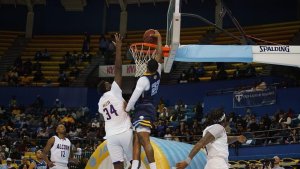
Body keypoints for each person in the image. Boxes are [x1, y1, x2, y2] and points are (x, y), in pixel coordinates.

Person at [125, 30, 164, 169]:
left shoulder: (143, 80)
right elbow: (159, 55)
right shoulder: (158, 73)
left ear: (146, 65)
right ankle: (135, 166)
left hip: (143, 108)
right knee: (137, 139)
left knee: (145, 140)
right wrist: (159, 38)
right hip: (150, 107)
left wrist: (127, 109)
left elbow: (134, 97)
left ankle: (153, 167)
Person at [97, 33, 133, 169]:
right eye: (108, 82)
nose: (110, 83)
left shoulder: (100, 103)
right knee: (135, 161)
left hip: (111, 136)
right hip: (124, 131)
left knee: (117, 165)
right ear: (107, 86)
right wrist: (118, 48)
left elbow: (104, 115)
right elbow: (118, 69)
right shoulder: (114, 91)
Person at [176, 108, 247, 169]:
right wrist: (187, 161)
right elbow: (200, 144)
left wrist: (237, 138)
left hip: (213, 164)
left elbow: (225, 140)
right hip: (217, 164)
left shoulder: (214, 130)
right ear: (224, 119)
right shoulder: (218, 127)